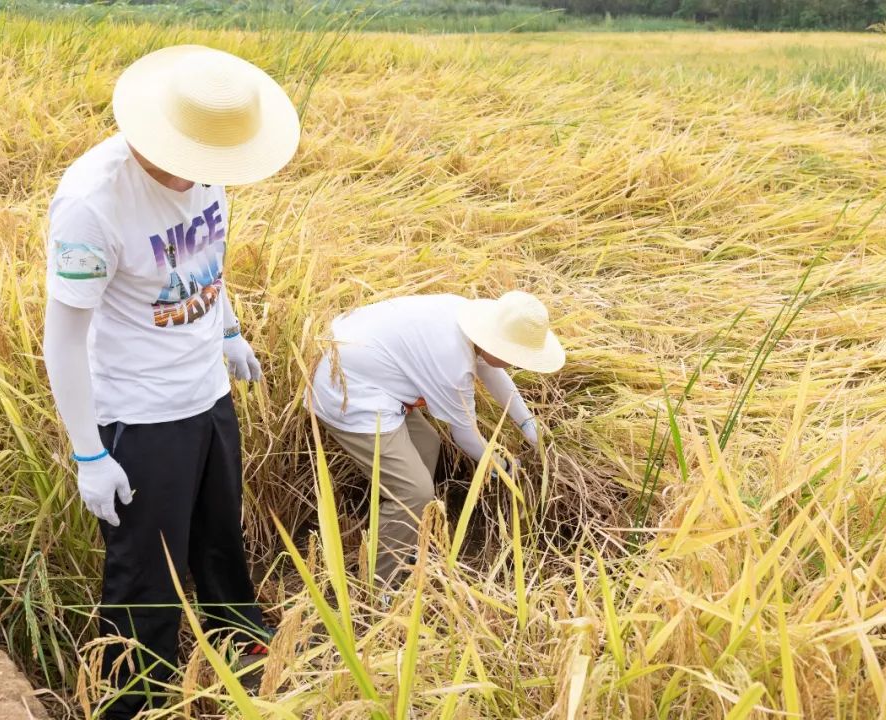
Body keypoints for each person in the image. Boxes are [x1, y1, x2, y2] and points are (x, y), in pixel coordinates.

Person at [42, 45, 300, 718]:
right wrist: (89, 454)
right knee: (146, 578)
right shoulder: (93, 205)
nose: (214, 175)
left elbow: (204, 259)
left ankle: (240, 642)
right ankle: (138, 699)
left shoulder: (209, 168)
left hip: (206, 393)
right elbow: (63, 341)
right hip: (138, 414)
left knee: (220, 534)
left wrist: (227, 332)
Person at [310, 291, 565, 586]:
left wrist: (527, 424)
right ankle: (379, 582)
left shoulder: (468, 318)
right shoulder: (452, 363)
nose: (515, 363)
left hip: (372, 371)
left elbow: (490, 369)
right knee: (415, 492)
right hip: (347, 391)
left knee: (427, 446)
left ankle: (401, 537)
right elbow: (465, 435)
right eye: (514, 356)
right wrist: (502, 465)